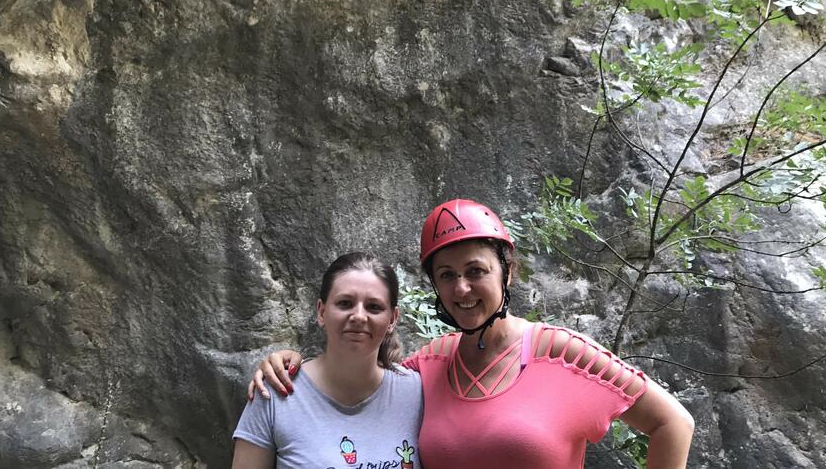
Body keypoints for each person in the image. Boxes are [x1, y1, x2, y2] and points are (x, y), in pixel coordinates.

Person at [249, 199, 694, 468]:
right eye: (446, 275)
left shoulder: (562, 353)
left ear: (507, 271)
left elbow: (673, 422)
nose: (461, 288)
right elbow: (360, 377)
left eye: (475, 270)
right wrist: (288, 361)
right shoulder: (428, 367)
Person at [232, 252, 423, 469]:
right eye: (345, 303)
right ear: (321, 312)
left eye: (374, 307)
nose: (359, 316)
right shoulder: (274, 393)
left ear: (392, 319)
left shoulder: (416, 392)